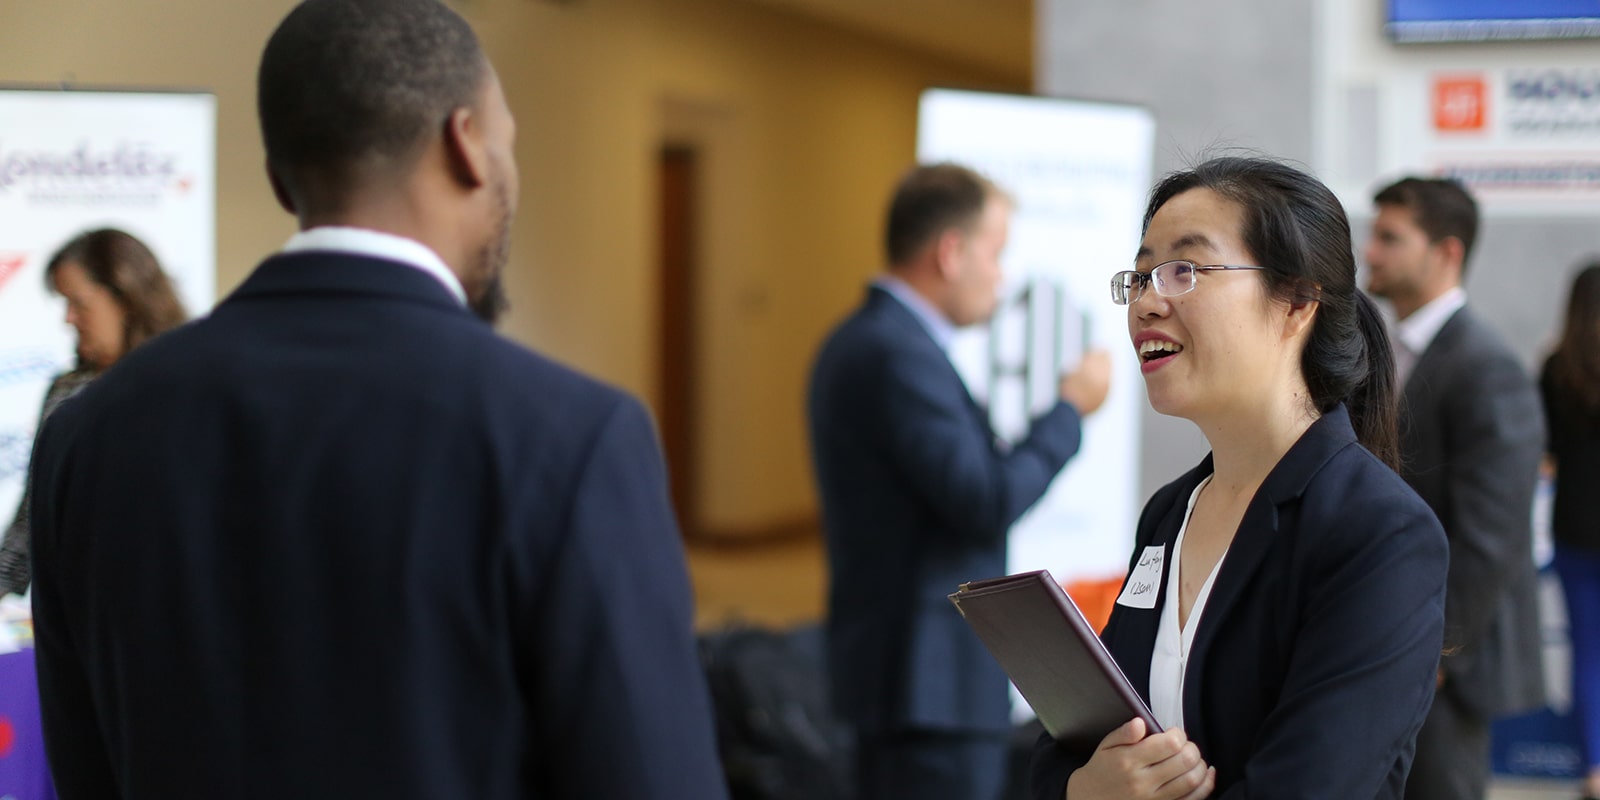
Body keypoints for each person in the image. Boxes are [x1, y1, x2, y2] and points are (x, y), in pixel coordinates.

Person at [26, 1, 727, 798]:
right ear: (466, 143)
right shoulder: (572, 438)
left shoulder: (86, 434)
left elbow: (81, 769)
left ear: (278, 177)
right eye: (509, 143)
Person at [1031, 156, 1449, 799]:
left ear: (1297, 302)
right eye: (1140, 276)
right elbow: (1070, 741)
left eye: (1184, 271)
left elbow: (1314, 786)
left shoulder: (1379, 530)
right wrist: (1084, 790)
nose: (1147, 301)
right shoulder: (1171, 511)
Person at [808, 162, 1112, 800]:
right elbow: (984, 499)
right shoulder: (896, 353)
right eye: (996, 254)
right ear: (951, 252)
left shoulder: (874, 341)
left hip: (908, 678)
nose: (1002, 278)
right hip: (926, 686)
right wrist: (1068, 412)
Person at [1364, 176, 1546, 800]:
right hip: (1395, 641)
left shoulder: (1485, 364)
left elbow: (1491, 533)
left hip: (1444, 662)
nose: (1371, 252)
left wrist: (1440, 650)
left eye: (1391, 237)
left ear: (1446, 252)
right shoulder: (1390, 351)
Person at [0, 228, 187, 597]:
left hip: (168, 610)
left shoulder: (192, 385)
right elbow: (33, 516)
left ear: (128, 298)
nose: (68, 319)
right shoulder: (65, 392)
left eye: (79, 303)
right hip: (80, 616)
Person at [1541, 262, 1600, 800]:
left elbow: (1549, 452)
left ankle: (1594, 771)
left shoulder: (1558, 367)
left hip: (1577, 526)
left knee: (1587, 653)